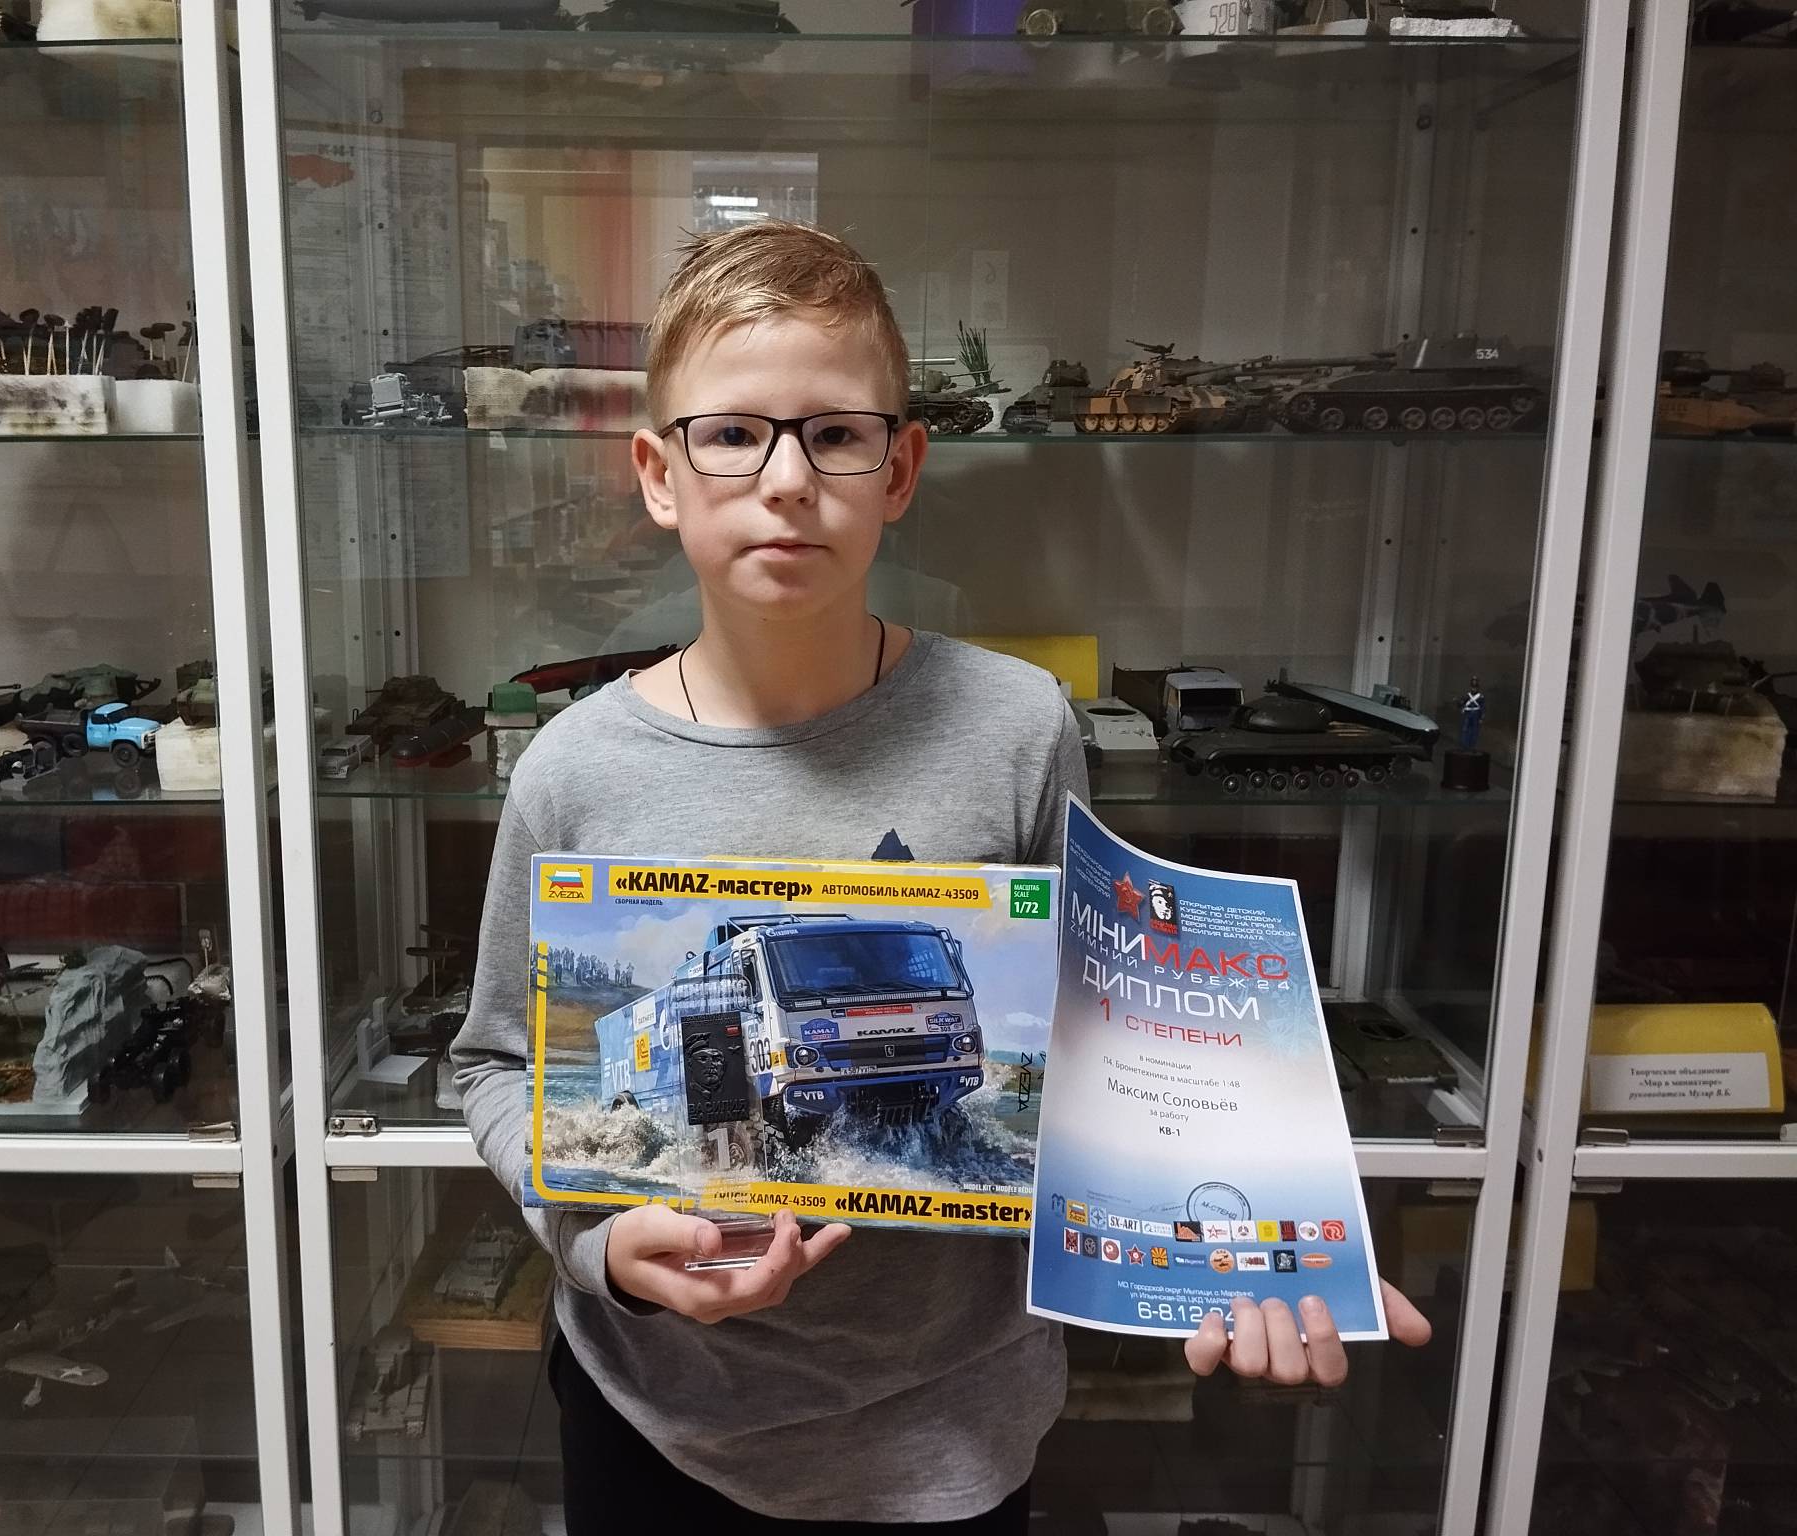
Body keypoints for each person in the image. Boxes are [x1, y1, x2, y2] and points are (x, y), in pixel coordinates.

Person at [450, 221, 1431, 1533]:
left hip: (955, 1428)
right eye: (731, 433)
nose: (786, 481)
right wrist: (596, 1247)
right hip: (657, 1418)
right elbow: (494, 1064)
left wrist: (1241, 1244)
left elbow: (1118, 1036)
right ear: (658, 475)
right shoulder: (571, 770)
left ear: (902, 468)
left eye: (835, 435)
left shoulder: (1018, 727)